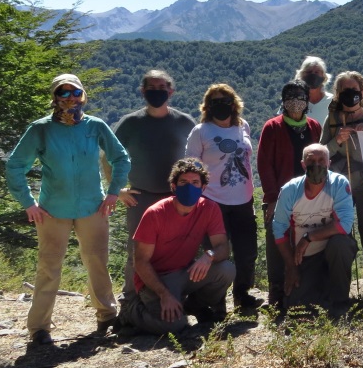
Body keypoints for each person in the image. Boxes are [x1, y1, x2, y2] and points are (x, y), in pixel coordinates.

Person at [6, 74, 130, 345]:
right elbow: (15, 165)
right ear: (55, 97)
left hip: (92, 207)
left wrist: (112, 193)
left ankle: (107, 316)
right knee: (49, 266)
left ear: (82, 94)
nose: (70, 98)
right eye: (63, 93)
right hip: (52, 210)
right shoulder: (41, 129)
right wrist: (28, 202)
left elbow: (120, 158)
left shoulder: (94, 126)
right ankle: (39, 328)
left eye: (74, 92)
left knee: (97, 262)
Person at [107, 70, 196, 303]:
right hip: (141, 197)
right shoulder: (130, 123)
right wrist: (117, 190)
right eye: (151, 88)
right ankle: (130, 300)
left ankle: (179, 298)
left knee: (179, 249)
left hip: (177, 198)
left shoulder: (185, 122)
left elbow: (199, 158)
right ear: (142, 91)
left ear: (171, 91)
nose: (157, 92)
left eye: (162, 88)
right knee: (137, 251)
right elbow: (108, 156)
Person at [119, 158, 235, 335]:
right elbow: (141, 262)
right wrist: (164, 295)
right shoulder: (155, 213)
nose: (189, 187)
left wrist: (209, 255)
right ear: (173, 186)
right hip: (156, 279)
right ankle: (131, 311)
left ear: (203, 188)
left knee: (226, 269)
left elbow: (222, 248)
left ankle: (192, 306)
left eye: (195, 182)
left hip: (184, 272)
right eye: (183, 182)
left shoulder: (209, 208)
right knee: (174, 326)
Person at [185, 84, 262, 309]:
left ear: (234, 104)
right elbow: (189, 165)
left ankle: (242, 295)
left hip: (244, 201)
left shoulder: (242, 126)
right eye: (215, 102)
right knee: (218, 254)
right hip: (213, 201)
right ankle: (215, 301)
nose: (221, 106)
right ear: (208, 106)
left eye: (225, 101)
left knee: (247, 253)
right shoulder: (201, 131)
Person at [320, 71, 363, 302]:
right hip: (341, 185)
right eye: (345, 91)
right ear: (338, 94)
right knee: (342, 233)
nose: (350, 95)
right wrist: (336, 141)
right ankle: (342, 285)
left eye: (354, 90)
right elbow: (321, 155)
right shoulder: (331, 120)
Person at [257, 81, 322, 313]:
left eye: (301, 96)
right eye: (290, 96)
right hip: (280, 196)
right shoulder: (272, 127)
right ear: (283, 101)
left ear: (307, 100)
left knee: (305, 236)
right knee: (278, 239)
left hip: (309, 194)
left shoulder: (314, 126)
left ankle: (304, 286)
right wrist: (272, 198)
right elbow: (264, 164)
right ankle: (276, 289)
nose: (296, 101)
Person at [272, 144, 358, 316]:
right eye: (311, 160)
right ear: (303, 164)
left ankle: (341, 302)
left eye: (321, 160)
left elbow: (344, 225)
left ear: (329, 163)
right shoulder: (290, 190)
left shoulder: (339, 184)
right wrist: (291, 267)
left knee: (341, 243)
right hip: (302, 257)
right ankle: (319, 291)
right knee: (300, 310)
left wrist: (309, 237)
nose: (316, 165)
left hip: (331, 250)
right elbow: (279, 231)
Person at [296, 56, 333, 125]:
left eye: (317, 72)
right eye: (309, 72)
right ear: (302, 75)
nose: (313, 75)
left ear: (323, 76)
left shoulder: (333, 102)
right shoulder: (293, 101)